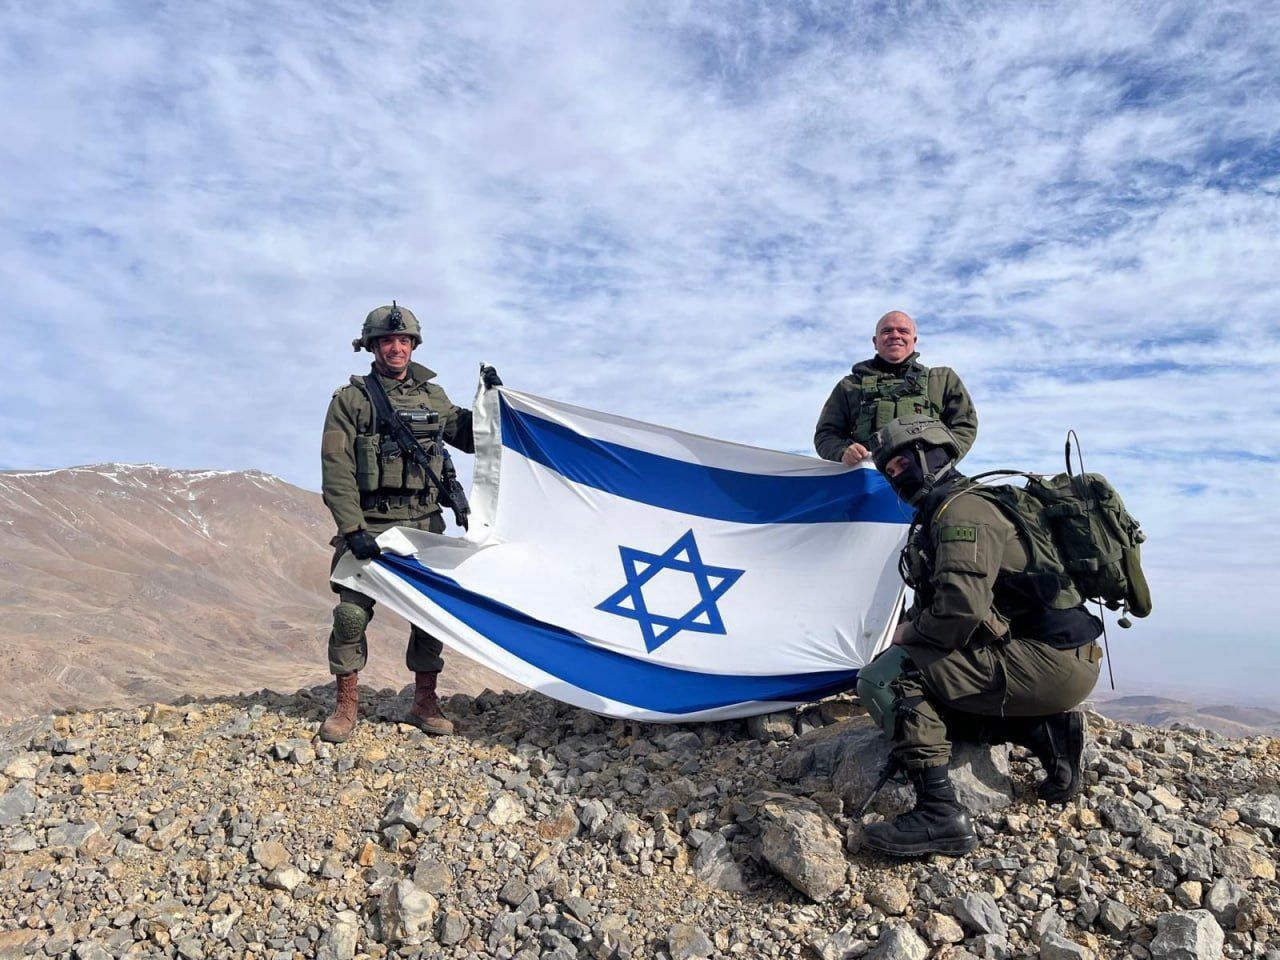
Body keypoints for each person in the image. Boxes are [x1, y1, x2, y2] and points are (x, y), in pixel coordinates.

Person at [855, 415, 1103, 857]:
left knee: (887, 681)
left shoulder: (962, 513)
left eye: (899, 466)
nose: (896, 478)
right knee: (930, 686)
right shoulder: (951, 507)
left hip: (1051, 662)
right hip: (1058, 659)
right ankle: (1045, 730)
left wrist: (905, 634)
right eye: (887, 471)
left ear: (927, 457)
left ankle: (939, 814)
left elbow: (959, 613)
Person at [317, 301, 500, 743]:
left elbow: (473, 439)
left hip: (424, 521)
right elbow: (335, 468)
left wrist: (496, 405)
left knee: (429, 616)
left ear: (413, 345)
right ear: (372, 346)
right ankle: (346, 706)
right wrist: (353, 527)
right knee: (350, 616)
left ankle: (424, 702)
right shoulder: (351, 401)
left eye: (403, 341)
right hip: (371, 523)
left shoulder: (432, 397)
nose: (395, 348)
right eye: (386, 341)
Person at [814, 311, 978, 467]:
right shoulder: (849, 386)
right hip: (867, 480)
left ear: (914, 340)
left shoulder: (942, 380)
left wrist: (938, 459)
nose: (895, 335)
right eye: (887, 331)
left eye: (903, 331)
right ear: (875, 342)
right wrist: (842, 452)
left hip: (927, 482)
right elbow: (826, 434)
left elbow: (964, 426)